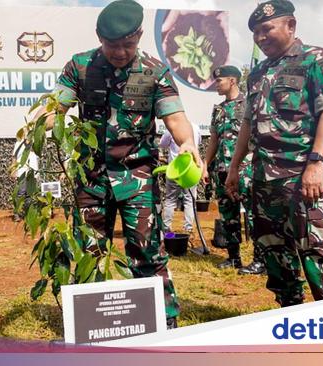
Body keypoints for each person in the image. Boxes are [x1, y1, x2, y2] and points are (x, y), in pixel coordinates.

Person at [45, 0, 203, 328]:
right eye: (112, 45)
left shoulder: (154, 71)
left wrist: (186, 142)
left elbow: (175, 116)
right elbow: (55, 108)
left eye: (128, 44)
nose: (120, 52)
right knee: (88, 251)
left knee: (147, 252)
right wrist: (40, 121)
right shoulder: (81, 66)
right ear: (99, 38)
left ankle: (164, 324)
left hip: (138, 178)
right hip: (91, 177)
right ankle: (89, 328)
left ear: (140, 36)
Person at [226, 0, 323, 307]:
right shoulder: (257, 72)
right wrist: (234, 167)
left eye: (267, 28)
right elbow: (247, 122)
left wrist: (316, 162)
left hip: (300, 177)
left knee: (318, 253)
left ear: (291, 26)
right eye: (256, 32)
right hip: (263, 179)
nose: (260, 37)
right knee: (275, 258)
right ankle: (291, 318)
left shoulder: (316, 60)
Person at [202, 66, 264, 275]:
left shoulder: (249, 104)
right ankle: (233, 257)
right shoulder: (218, 109)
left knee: (254, 214)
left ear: (232, 80)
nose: (216, 84)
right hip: (221, 169)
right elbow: (213, 140)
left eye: (219, 80)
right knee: (228, 215)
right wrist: (205, 164)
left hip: (245, 168)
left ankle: (260, 260)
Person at [158, 122, 201, 234]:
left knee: (170, 200)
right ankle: (188, 229)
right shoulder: (195, 127)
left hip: (175, 170)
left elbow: (162, 144)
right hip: (191, 169)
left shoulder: (171, 129)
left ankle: (166, 228)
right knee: (190, 199)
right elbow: (197, 143)